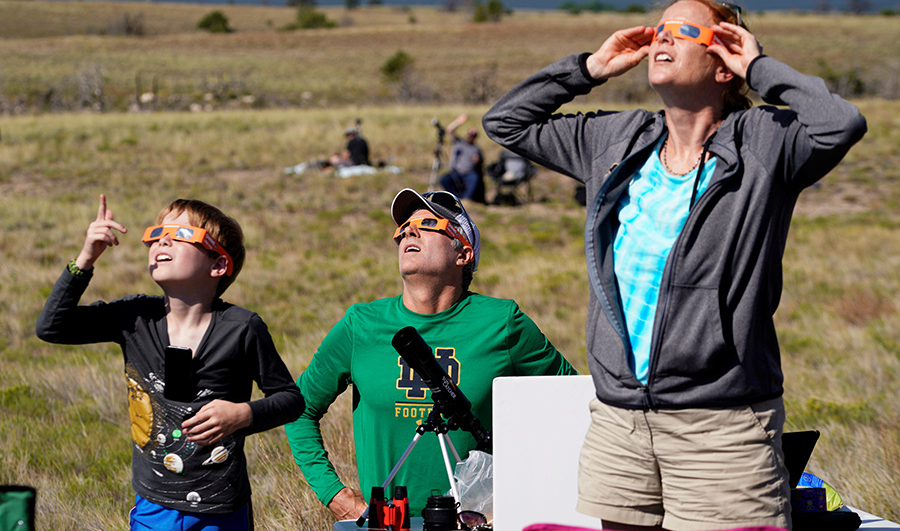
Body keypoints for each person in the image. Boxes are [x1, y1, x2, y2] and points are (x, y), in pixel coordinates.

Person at [482, 0, 867, 531]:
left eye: (683, 32)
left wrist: (760, 67)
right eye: (658, 29)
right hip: (621, 423)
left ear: (723, 59)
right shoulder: (617, 138)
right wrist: (590, 68)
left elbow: (840, 124)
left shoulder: (763, 143)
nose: (661, 37)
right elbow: (506, 123)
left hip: (721, 428)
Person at [285, 188, 576, 519]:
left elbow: (572, 401)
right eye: (403, 228)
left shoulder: (502, 323)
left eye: (427, 222)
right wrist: (335, 495)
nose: (408, 231)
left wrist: (525, 492)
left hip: (478, 523)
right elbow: (298, 409)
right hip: (387, 523)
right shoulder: (361, 325)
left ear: (463, 254)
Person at [36, 195, 305, 530]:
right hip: (153, 505)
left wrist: (242, 414)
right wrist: (86, 258)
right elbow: (52, 327)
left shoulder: (242, 328)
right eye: (157, 233)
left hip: (220, 508)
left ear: (217, 265)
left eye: (181, 235)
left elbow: (291, 400)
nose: (162, 239)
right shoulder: (135, 317)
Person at [439, 114, 485, 202]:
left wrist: (478, 161)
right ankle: (455, 196)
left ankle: (467, 199)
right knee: (444, 179)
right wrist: (459, 122)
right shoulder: (458, 142)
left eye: (473, 135)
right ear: (466, 134)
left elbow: (482, 162)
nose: (470, 136)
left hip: (469, 174)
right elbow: (449, 130)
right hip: (456, 172)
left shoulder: (476, 148)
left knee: (475, 178)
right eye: (470, 134)